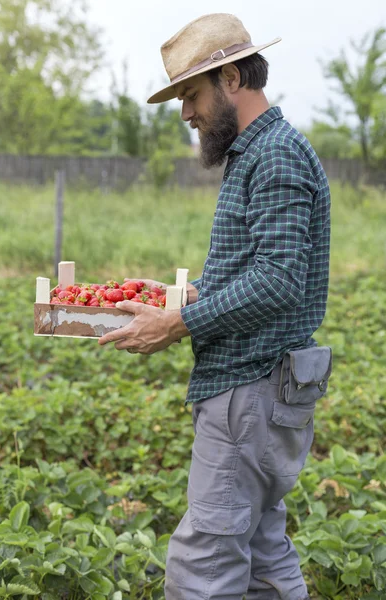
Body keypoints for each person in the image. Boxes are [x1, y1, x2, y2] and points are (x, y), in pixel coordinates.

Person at [98, 12, 333, 600]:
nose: (186, 113)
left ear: (231, 78)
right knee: (260, 556)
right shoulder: (256, 153)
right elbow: (254, 269)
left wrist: (179, 323)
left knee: (205, 564)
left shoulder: (273, 155)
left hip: (249, 388)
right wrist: (176, 296)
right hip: (263, 388)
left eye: (191, 94)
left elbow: (279, 280)